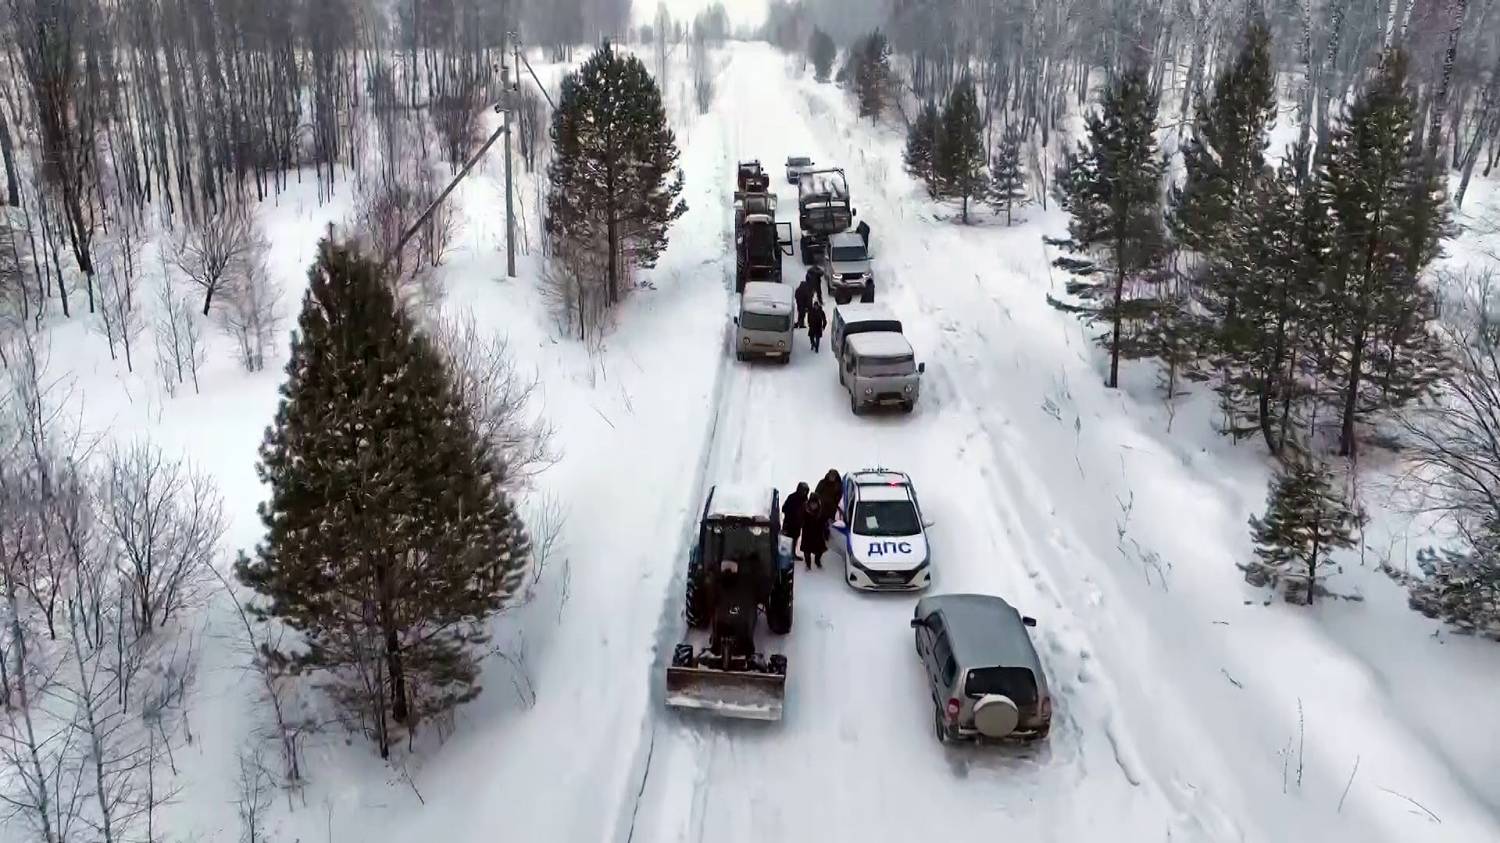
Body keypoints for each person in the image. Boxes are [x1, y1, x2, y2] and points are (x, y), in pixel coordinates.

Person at [781, 482, 809, 560]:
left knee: (795, 539)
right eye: (802, 490)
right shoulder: (792, 497)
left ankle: (793, 555)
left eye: (805, 490)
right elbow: (784, 508)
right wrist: (792, 512)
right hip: (789, 523)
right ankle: (786, 558)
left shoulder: (805, 499)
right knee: (787, 540)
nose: (804, 492)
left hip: (798, 524)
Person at [801, 494, 828, 570]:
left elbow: (824, 522)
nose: (813, 505)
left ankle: (817, 561)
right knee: (807, 551)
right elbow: (800, 519)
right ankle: (808, 565)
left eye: (815, 504)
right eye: (812, 503)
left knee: (820, 550)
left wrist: (825, 531)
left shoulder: (820, 512)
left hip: (818, 534)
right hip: (807, 534)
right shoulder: (805, 511)